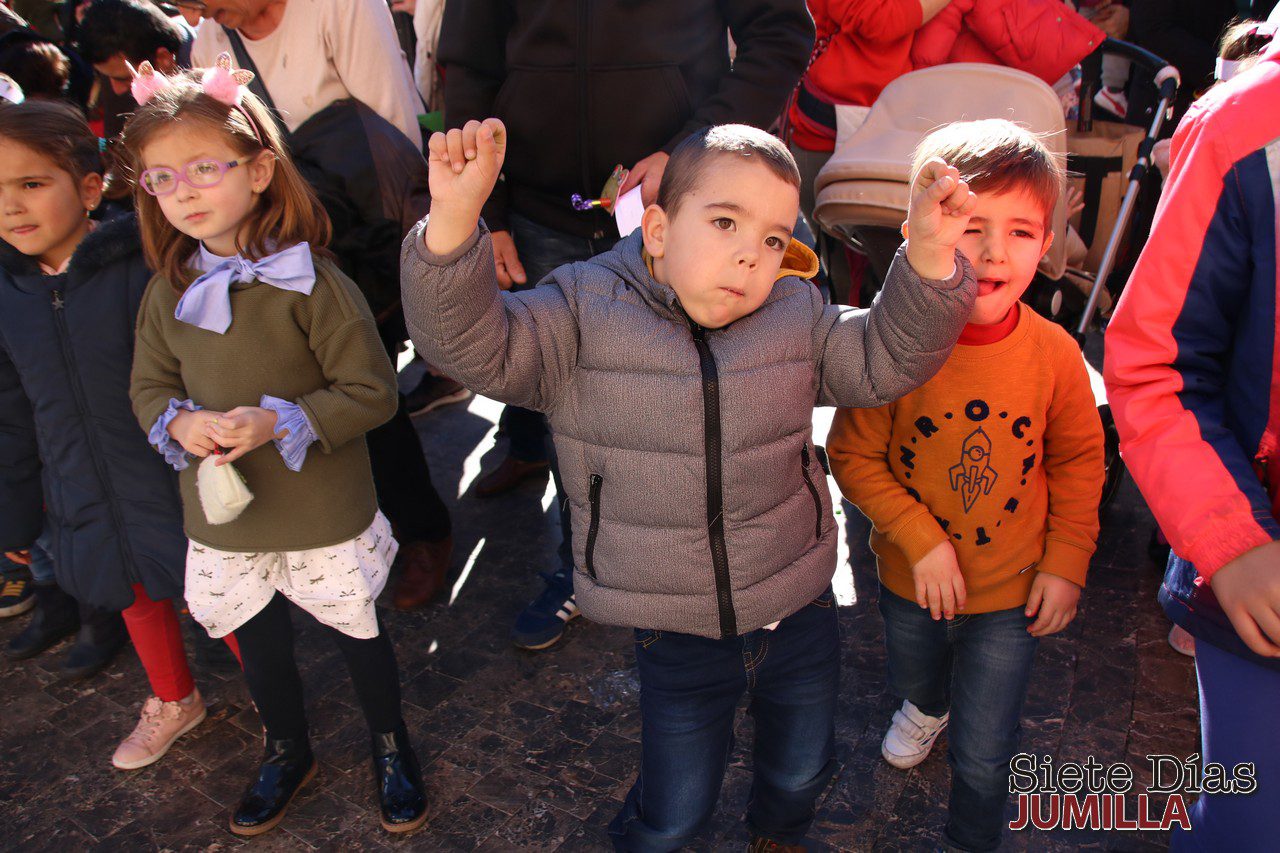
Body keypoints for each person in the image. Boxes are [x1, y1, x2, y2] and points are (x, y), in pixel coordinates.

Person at [402, 117, 977, 849]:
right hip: (673, 626)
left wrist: (927, 258)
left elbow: (885, 358)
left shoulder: (794, 310)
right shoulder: (580, 310)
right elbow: (469, 346)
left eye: (773, 239)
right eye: (726, 221)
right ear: (659, 229)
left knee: (803, 772)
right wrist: (453, 222)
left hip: (797, 602)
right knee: (675, 812)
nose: (749, 256)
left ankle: (778, 835)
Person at [438, 0, 815, 650]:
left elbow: (781, 32)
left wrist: (694, 149)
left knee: (707, 403)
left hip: (679, 211)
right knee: (569, 419)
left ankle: (732, 577)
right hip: (540, 212)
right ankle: (581, 566)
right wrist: (488, 211)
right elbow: (469, 68)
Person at [122, 59, 426, 836]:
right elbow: (148, 387)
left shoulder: (313, 283)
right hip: (228, 517)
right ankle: (287, 746)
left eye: (201, 168)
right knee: (258, 646)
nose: (182, 191)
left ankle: (390, 742)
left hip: (320, 507)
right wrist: (181, 423)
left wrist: (279, 420)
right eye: (160, 178)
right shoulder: (168, 288)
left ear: (260, 170)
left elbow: (371, 390)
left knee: (358, 631)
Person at [827, 119, 1105, 852]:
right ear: (923, 230)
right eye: (970, 225)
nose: (990, 251)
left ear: (1046, 246)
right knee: (916, 669)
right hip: (908, 577)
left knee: (986, 752)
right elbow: (852, 454)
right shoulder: (894, 343)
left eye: (1019, 231)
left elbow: (1079, 459)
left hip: (1011, 589)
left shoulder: (1055, 354)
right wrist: (920, 539)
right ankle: (926, 705)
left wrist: (1066, 558)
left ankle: (973, 834)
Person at [192, 0, 457, 612]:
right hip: (276, 240)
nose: (207, 9)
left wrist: (414, 249)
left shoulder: (337, 5)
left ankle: (423, 531)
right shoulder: (211, 36)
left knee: (364, 384)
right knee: (304, 385)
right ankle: (358, 531)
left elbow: (392, 125)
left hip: (362, 229)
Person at [0, 98, 243, 765]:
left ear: (87, 187)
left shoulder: (146, 264)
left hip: (175, 473)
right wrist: (16, 518)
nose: (11, 207)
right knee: (132, 592)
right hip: (79, 481)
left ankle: (273, 689)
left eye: (29, 183)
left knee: (218, 592)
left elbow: (206, 366)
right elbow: (10, 414)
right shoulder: (6, 293)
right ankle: (173, 697)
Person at [1104, 27, 1280, 851]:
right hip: (1259, 558)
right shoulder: (1247, 126)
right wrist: (1230, 541)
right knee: (1248, 818)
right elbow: (1157, 361)